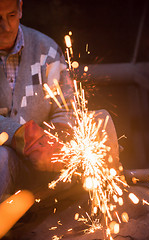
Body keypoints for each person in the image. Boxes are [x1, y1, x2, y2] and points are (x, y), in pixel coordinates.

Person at [0, 0, 120, 205]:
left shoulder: (45, 49)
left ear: (20, 8)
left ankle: (106, 204)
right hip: (8, 165)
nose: (6, 26)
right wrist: (22, 136)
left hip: (48, 164)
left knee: (101, 120)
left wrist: (56, 142)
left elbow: (66, 107)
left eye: (11, 15)